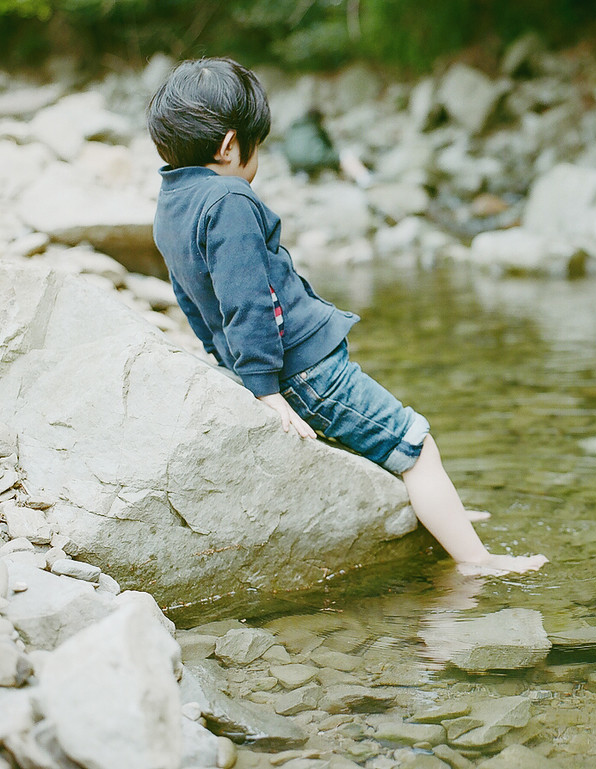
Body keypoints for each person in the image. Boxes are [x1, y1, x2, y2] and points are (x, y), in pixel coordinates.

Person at [147, 57, 547, 576]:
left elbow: (192, 296)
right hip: (306, 369)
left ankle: (437, 512)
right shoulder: (228, 198)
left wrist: (227, 362)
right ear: (229, 146)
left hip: (267, 368)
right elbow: (249, 297)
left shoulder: (170, 203)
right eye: (256, 148)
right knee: (415, 443)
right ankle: (477, 562)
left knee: (370, 445)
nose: (256, 162)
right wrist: (264, 386)